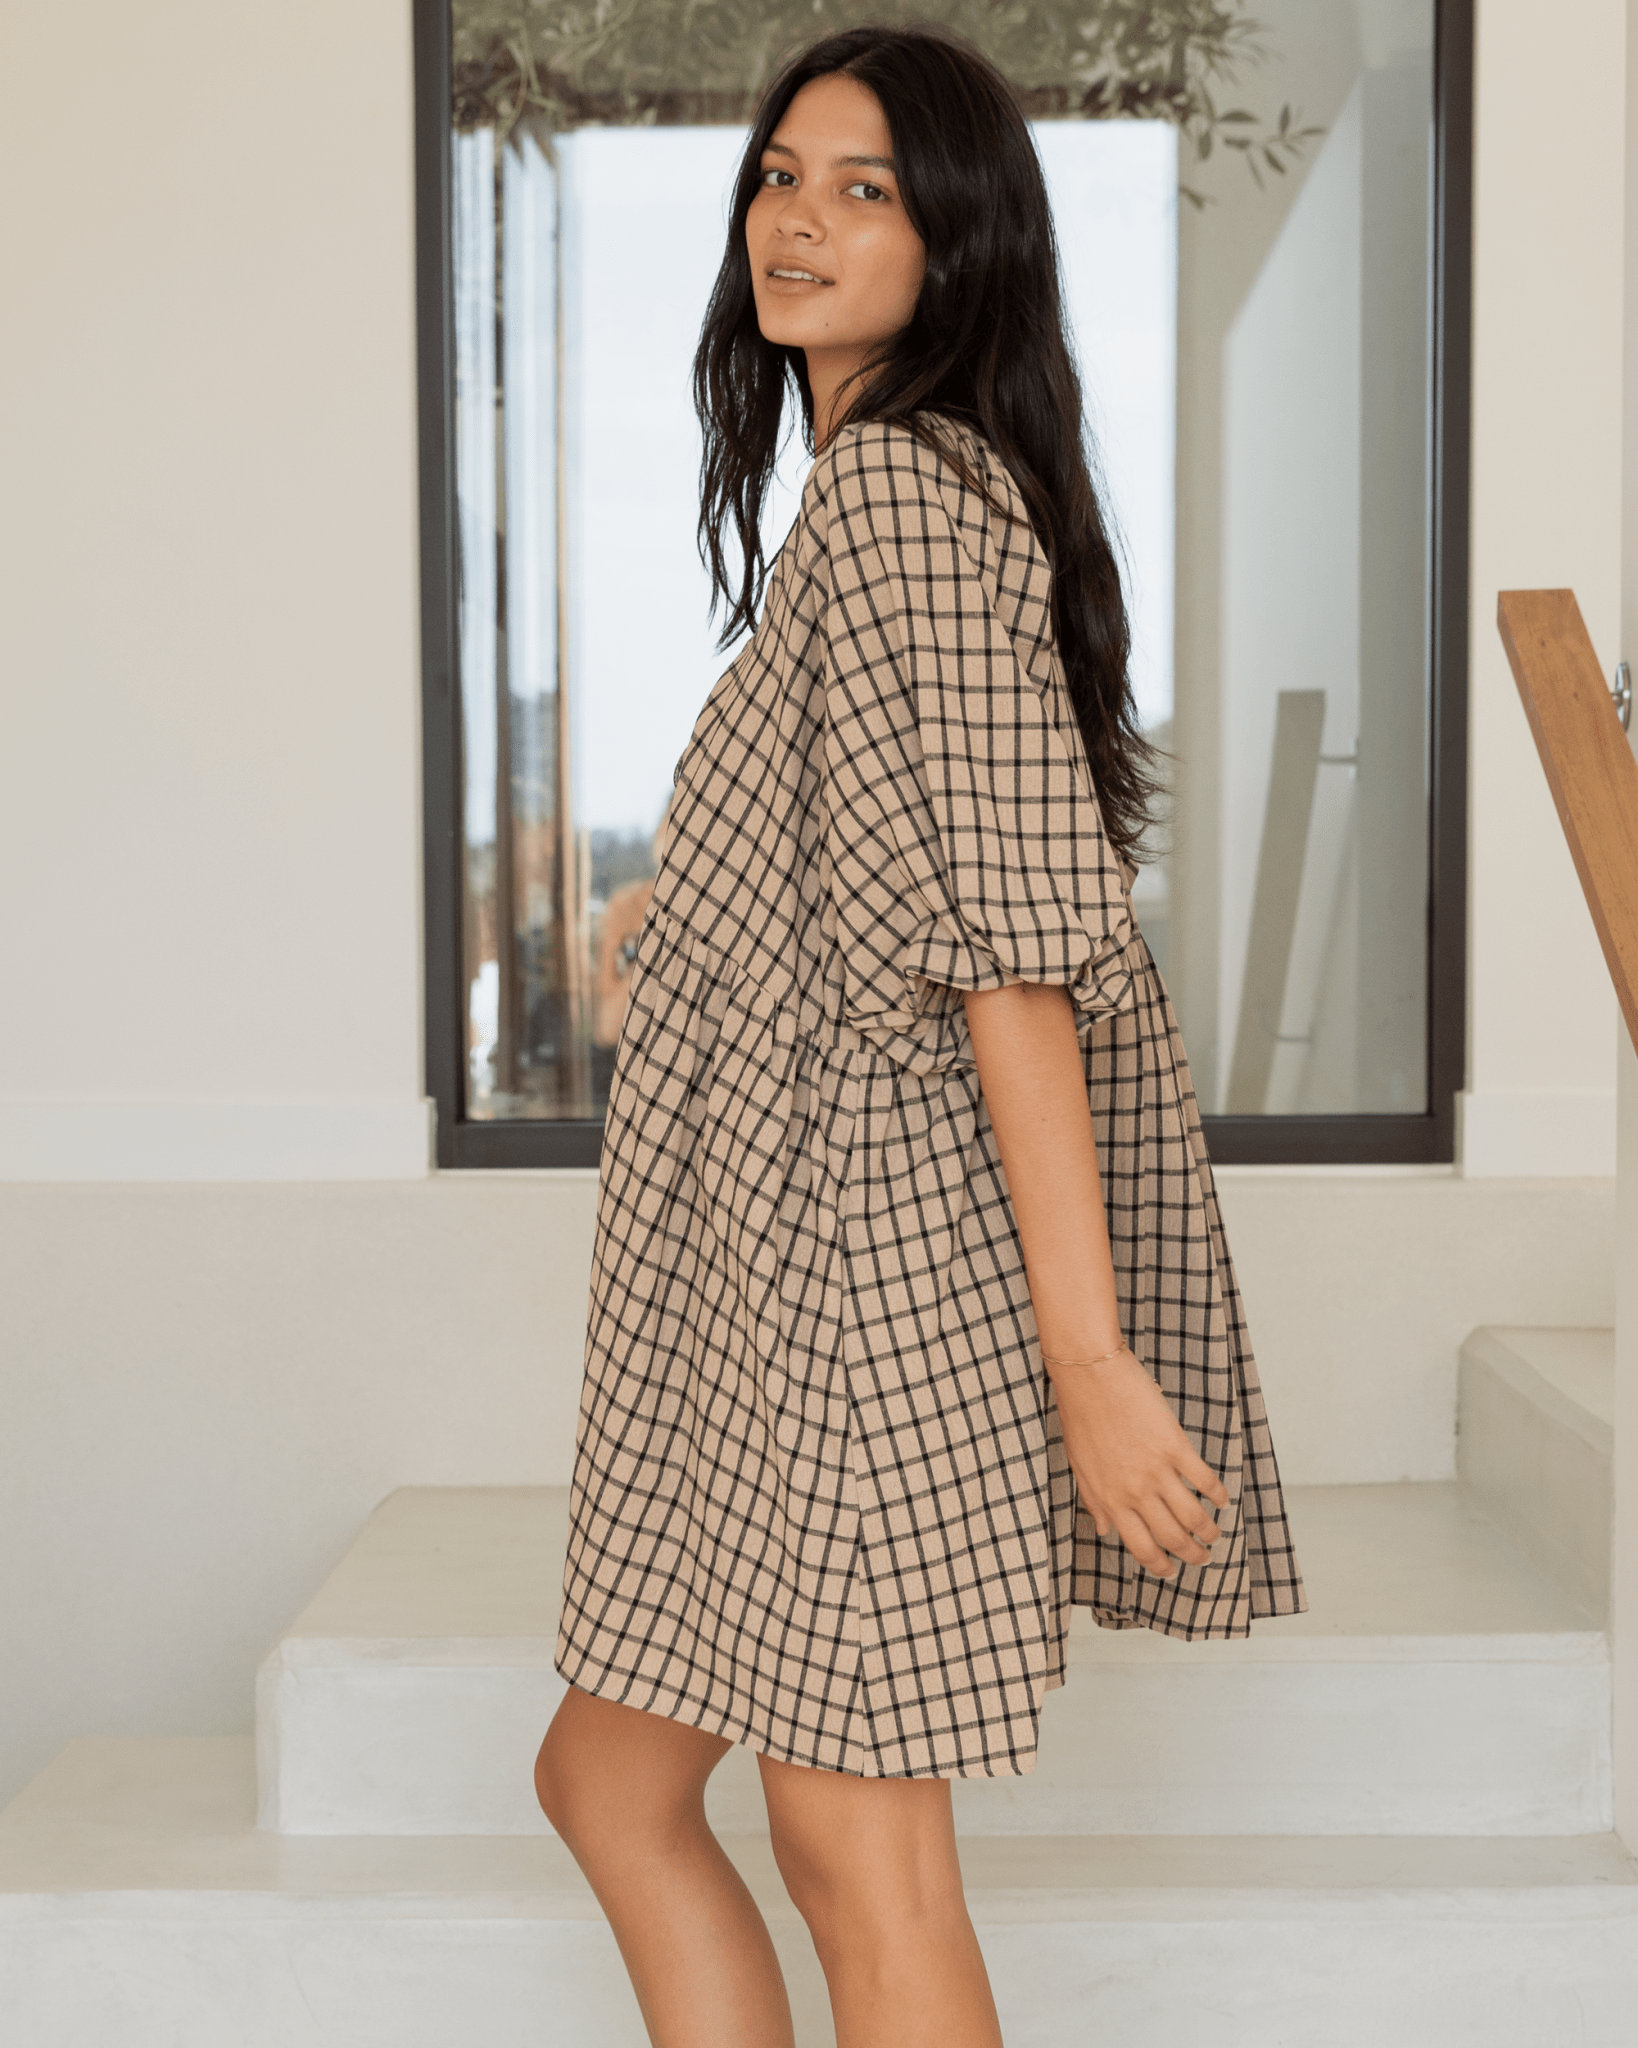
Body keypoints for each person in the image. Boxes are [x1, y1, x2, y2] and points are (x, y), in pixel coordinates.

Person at [536, 25, 1306, 2046]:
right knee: (608, 1778)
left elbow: (1012, 962)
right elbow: (889, 875)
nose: (797, 220)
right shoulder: (878, 511)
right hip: (764, 1278)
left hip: (867, 1273)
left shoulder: (904, 501)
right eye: (780, 176)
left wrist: (1087, 1361)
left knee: (857, 1862)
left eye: (864, 188)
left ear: (957, 243)